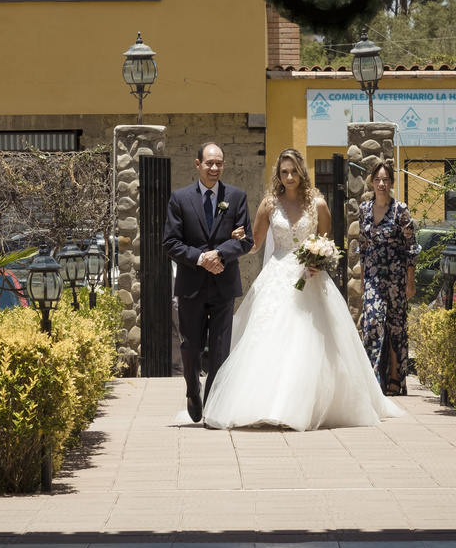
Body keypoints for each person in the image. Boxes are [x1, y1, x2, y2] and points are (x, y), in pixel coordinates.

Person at [206, 148, 404, 431]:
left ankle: (298, 407)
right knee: (270, 339)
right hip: (276, 277)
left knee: (307, 341)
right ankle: (265, 405)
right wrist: (235, 236)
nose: (289, 177)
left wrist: (319, 263)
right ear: (278, 174)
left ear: (302, 172)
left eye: (293, 171)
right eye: (284, 172)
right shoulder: (268, 205)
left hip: (309, 279)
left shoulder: (318, 204)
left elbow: (328, 245)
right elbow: (255, 245)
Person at [162, 142, 253, 423]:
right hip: (191, 285)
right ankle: (192, 389)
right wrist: (201, 258)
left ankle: (214, 404)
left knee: (220, 349)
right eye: (210, 163)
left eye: (220, 163)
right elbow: (170, 243)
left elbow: (247, 240)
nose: (215, 168)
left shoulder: (236, 197)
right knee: (191, 346)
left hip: (224, 285)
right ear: (197, 164)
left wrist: (220, 254)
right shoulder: (180, 199)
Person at [357, 161, 418, 396]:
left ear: (391, 183)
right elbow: (362, 246)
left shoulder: (400, 210)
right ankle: (372, 377)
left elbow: (411, 247)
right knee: (372, 322)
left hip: (396, 276)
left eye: (386, 180)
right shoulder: (363, 209)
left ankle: (394, 377)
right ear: (372, 183)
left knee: (394, 326)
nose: (381, 184)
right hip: (373, 275)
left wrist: (410, 281)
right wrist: (363, 279)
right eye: (377, 180)